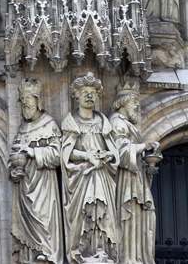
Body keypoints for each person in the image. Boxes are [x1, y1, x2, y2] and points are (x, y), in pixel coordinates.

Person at [61, 72, 119, 262]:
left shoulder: (103, 122)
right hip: (81, 177)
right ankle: (83, 250)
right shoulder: (72, 122)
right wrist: (87, 156)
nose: (89, 96)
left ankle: (101, 250)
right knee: (84, 213)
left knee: (102, 212)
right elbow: (67, 153)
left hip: (101, 175)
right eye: (84, 92)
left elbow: (113, 151)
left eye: (93, 92)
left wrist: (106, 155)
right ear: (76, 96)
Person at [9, 79, 64, 264]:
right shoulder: (23, 128)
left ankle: (47, 253)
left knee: (44, 217)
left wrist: (33, 152)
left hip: (44, 184)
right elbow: (14, 156)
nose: (25, 102)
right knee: (28, 222)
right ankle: (28, 255)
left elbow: (58, 155)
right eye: (22, 99)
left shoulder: (49, 124)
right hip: (25, 184)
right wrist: (14, 170)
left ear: (38, 100)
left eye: (28, 99)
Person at [109, 83, 160, 264]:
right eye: (134, 102)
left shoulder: (126, 125)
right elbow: (120, 152)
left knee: (143, 215)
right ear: (122, 103)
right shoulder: (117, 123)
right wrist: (143, 147)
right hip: (126, 179)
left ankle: (137, 255)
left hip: (134, 176)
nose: (137, 107)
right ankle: (128, 257)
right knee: (130, 213)